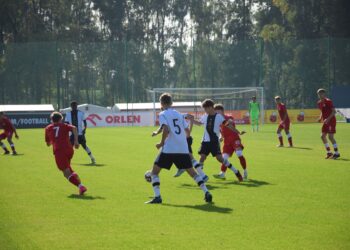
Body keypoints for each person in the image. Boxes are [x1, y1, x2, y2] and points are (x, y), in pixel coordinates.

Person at [146, 93, 212, 204]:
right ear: (171, 103)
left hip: (169, 149)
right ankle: (206, 192)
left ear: (161, 103)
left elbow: (166, 128)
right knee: (193, 173)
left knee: (154, 173)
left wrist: (161, 143)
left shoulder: (162, 114)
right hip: (183, 148)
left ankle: (157, 197)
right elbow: (187, 131)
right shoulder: (178, 114)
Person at [192, 99, 243, 182]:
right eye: (204, 109)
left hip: (214, 142)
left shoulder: (219, 117)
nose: (205, 110)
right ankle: (202, 176)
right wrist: (191, 120)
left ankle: (236, 171)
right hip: (205, 141)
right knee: (202, 157)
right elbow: (199, 123)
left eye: (206, 109)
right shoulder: (205, 116)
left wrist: (238, 132)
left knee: (220, 159)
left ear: (211, 107)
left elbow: (228, 125)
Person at [45, 112, 87, 195]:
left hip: (59, 151)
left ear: (51, 120)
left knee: (66, 173)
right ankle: (75, 176)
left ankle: (81, 186)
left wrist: (53, 140)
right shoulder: (64, 125)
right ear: (61, 119)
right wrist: (76, 141)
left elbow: (48, 143)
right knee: (68, 168)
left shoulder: (48, 128)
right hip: (69, 150)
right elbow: (74, 128)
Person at [152, 113, 200, 177]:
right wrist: (156, 132)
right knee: (184, 156)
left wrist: (191, 124)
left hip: (182, 139)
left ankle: (202, 175)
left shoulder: (177, 115)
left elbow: (191, 117)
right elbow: (162, 128)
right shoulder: (175, 115)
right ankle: (181, 168)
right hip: (180, 139)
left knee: (189, 157)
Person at [212, 104, 248, 180]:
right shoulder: (218, 121)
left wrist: (231, 122)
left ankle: (245, 171)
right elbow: (221, 131)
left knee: (239, 153)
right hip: (226, 141)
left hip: (234, 138)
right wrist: (221, 137)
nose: (215, 113)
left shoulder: (228, 117)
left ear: (221, 111)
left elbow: (231, 123)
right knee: (224, 158)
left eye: (216, 111)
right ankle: (222, 173)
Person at [317, 89, 340, 159]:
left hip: (331, 121)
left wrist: (328, 119)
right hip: (325, 121)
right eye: (319, 94)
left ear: (324, 94)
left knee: (330, 137)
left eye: (322, 94)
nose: (320, 95)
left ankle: (337, 153)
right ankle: (329, 152)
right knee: (322, 136)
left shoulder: (328, 101)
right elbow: (322, 111)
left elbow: (334, 112)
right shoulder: (319, 103)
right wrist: (320, 117)